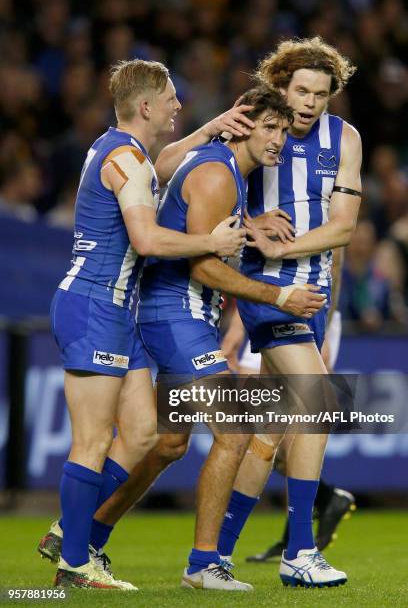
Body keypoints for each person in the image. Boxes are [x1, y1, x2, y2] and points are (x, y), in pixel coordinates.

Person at [47, 58, 249, 591]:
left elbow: (158, 167)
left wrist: (210, 128)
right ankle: (74, 559)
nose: (178, 106)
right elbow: (147, 241)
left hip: (115, 312)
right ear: (145, 106)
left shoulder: (126, 151)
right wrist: (213, 242)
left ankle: (70, 532)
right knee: (92, 441)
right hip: (92, 307)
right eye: (171, 99)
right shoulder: (124, 158)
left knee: (141, 434)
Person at [136, 85, 326, 591]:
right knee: (240, 430)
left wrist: (249, 225)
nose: (280, 139)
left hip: (181, 314)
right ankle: (205, 563)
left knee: (168, 444)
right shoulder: (219, 170)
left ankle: (82, 536)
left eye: (285, 131)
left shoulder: (228, 174)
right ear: (242, 125)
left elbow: (186, 199)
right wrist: (277, 296)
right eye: (270, 126)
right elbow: (203, 265)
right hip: (175, 311)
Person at [215, 36, 362, 588]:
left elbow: (343, 226)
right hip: (266, 293)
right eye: (301, 90)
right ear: (280, 86)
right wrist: (255, 236)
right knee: (319, 402)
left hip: (314, 295)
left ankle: (213, 557)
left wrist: (287, 248)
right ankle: (300, 551)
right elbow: (199, 182)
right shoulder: (252, 121)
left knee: (271, 431)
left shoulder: (346, 138)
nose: (308, 103)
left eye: (320, 94)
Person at [221, 248, 356, 563]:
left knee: (277, 429)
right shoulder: (270, 206)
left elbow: (334, 258)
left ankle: (293, 543)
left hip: (306, 308)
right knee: (267, 432)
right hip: (269, 304)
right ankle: (305, 529)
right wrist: (239, 329)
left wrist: (322, 335)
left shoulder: (321, 212)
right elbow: (254, 257)